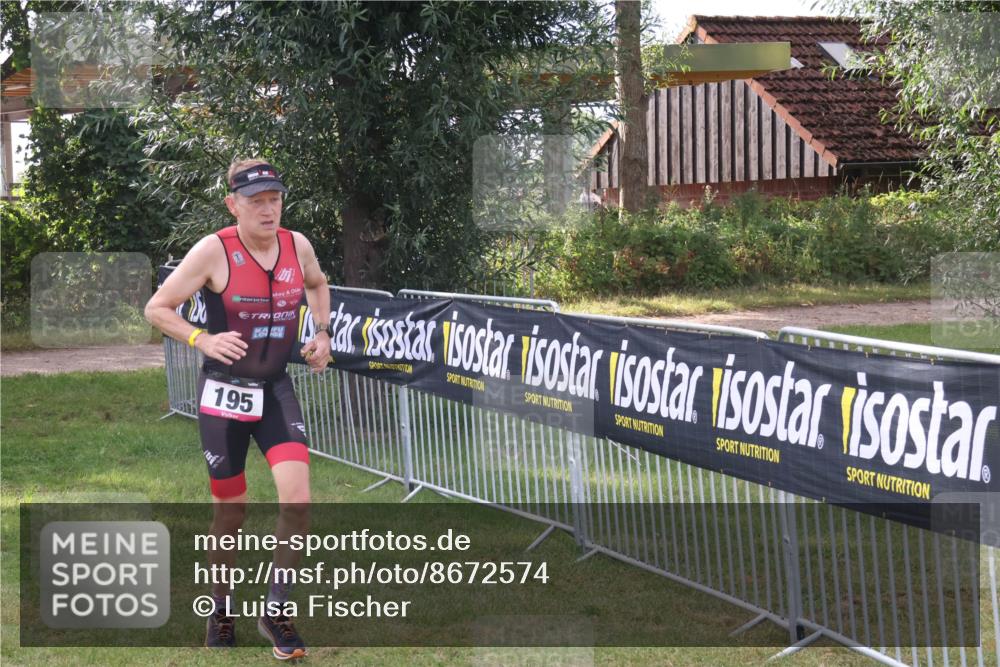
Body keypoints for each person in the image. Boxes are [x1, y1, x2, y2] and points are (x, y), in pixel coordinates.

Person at [145, 159, 332, 659]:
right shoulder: (214, 250)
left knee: (298, 502)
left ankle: (275, 613)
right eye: (256, 202)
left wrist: (321, 332)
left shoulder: (298, 246)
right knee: (231, 513)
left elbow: (316, 283)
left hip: (275, 390)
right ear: (233, 205)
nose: (268, 210)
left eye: (275, 199)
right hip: (223, 397)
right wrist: (200, 338)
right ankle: (220, 607)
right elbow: (157, 308)